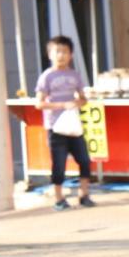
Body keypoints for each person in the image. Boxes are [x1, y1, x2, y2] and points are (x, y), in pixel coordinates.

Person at [35, 36, 94, 211]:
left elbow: (83, 99)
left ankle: (84, 194)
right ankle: (59, 198)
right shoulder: (47, 77)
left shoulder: (75, 75)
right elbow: (39, 103)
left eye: (65, 51)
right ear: (50, 54)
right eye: (57, 51)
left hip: (74, 126)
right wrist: (61, 105)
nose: (61, 55)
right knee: (59, 163)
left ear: (71, 55)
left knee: (84, 159)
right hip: (55, 126)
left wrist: (78, 102)